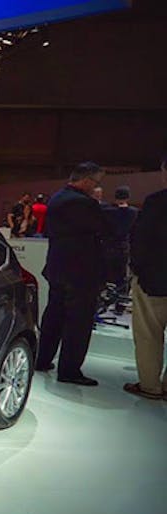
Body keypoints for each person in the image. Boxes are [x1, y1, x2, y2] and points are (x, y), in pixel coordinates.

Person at [34, 162, 108, 386]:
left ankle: (42, 359)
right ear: (86, 180)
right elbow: (105, 229)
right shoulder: (85, 203)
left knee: (54, 315)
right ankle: (69, 370)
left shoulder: (57, 198)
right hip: (81, 271)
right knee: (78, 322)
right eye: (95, 182)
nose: (96, 187)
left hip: (57, 267)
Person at [124, 156, 167, 400]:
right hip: (155, 277)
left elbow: (140, 238)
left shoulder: (156, 202)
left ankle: (150, 386)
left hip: (154, 280)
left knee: (148, 335)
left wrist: (137, 270)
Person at [100, 185, 139, 298]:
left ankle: (106, 298)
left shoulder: (106, 211)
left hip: (106, 246)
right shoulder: (134, 212)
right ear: (128, 197)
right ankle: (120, 298)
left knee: (106, 275)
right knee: (121, 276)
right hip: (123, 247)